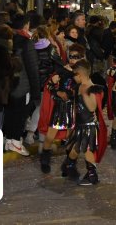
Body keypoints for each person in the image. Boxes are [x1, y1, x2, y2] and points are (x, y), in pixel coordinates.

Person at [37, 43, 84, 173]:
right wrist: (58, 93)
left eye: (77, 57)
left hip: (74, 108)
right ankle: (45, 158)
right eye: (72, 56)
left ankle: (69, 164)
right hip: (60, 107)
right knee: (50, 136)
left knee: (72, 137)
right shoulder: (61, 71)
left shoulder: (82, 73)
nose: (74, 59)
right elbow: (50, 86)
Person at [63, 59, 108, 186]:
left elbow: (93, 107)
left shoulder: (91, 88)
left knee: (87, 150)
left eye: (74, 75)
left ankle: (92, 175)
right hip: (80, 124)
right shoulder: (80, 86)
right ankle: (69, 167)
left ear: (80, 75)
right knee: (74, 149)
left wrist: (84, 94)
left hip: (89, 126)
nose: (73, 78)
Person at [4, 13, 40, 156]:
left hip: (9, 85)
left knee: (10, 112)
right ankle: (15, 141)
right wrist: (36, 90)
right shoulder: (26, 41)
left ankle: (9, 140)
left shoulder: (8, 39)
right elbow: (32, 67)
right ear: (26, 25)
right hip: (23, 85)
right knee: (20, 114)